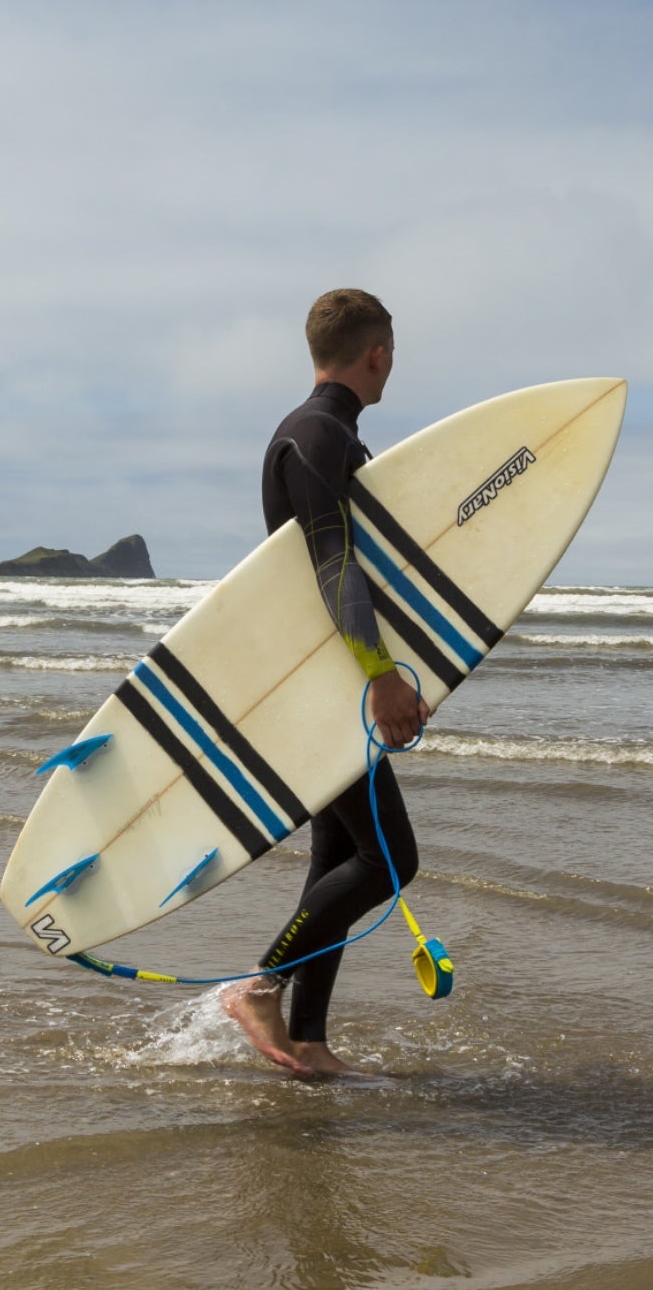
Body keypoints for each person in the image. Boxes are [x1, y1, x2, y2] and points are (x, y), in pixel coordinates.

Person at [221, 288, 433, 1078]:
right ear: (377, 352)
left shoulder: (316, 433)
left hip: (325, 678)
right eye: (391, 355)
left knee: (335, 858)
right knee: (389, 860)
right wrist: (379, 675)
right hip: (322, 686)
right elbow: (332, 560)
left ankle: (307, 1037)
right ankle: (261, 986)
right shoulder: (317, 435)